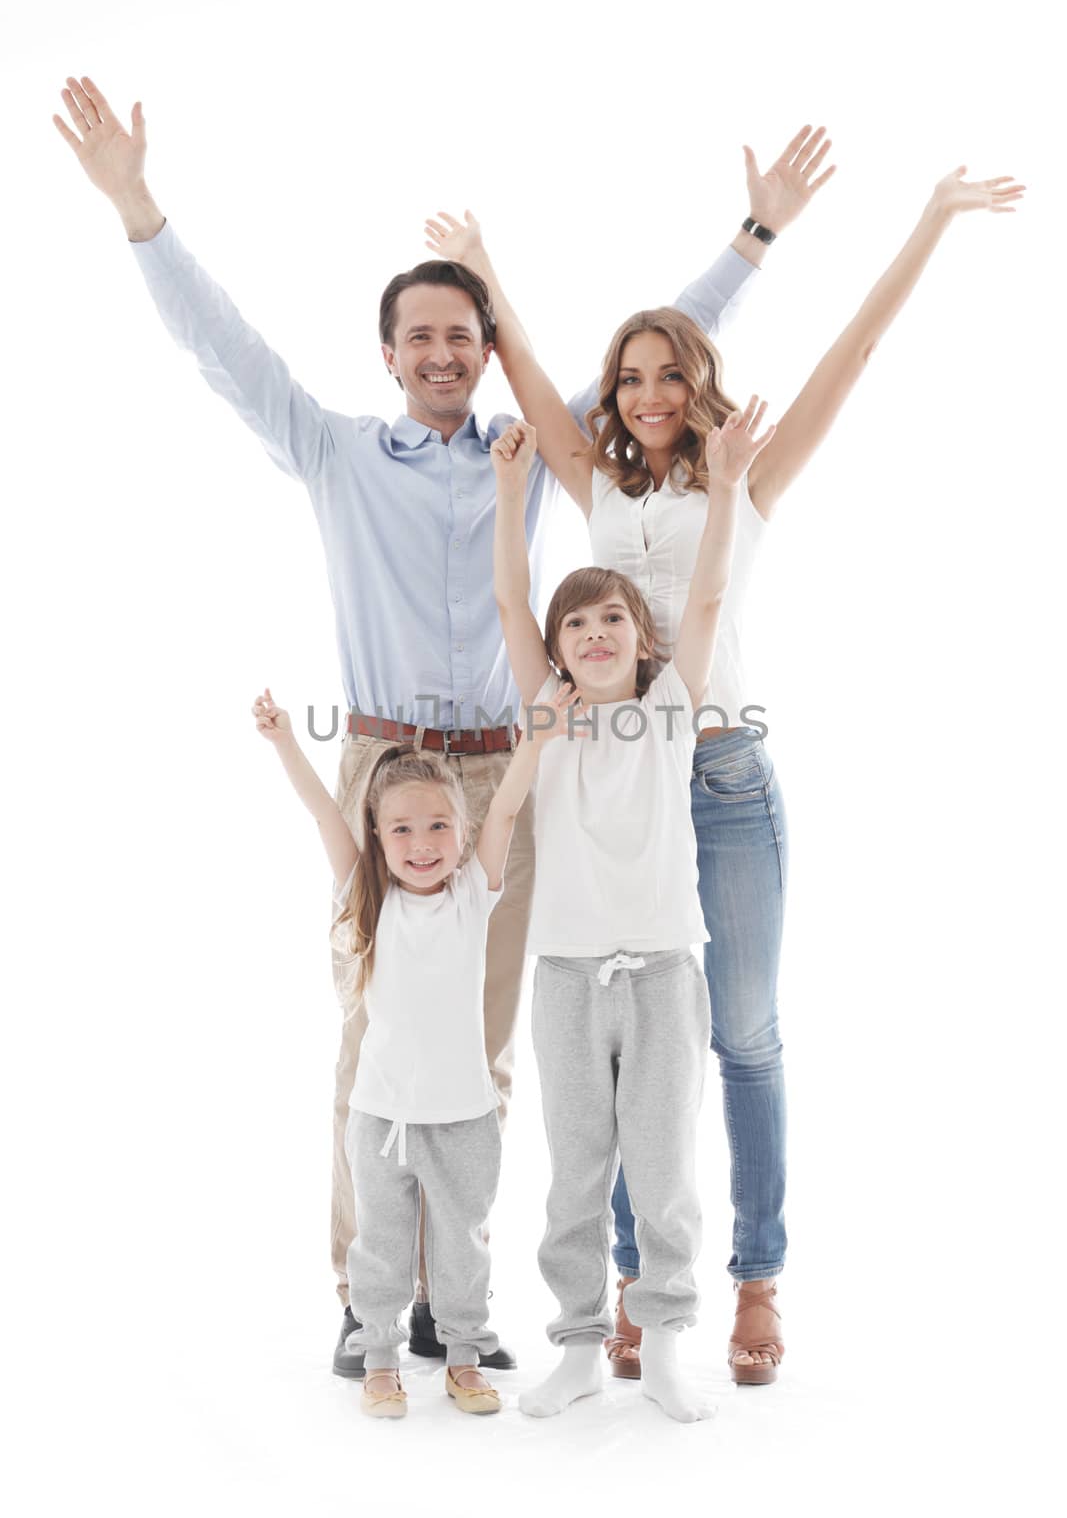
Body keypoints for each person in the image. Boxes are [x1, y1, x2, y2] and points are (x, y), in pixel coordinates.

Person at [52, 74, 797, 1373]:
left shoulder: (520, 457)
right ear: (389, 356)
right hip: (384, 765)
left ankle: (458, 1300)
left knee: (486, 1041)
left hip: (509, 777)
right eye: (423, 340)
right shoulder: (335, 452)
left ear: (486, 345)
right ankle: (364, 1297)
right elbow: (221, 346)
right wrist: (135, 204)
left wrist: (750, 240)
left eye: (467, 335)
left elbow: (653, 355)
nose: (447, 355)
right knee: (373, 1031)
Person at [428, 156, 1025, 1385]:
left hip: (720, 773)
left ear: (699, 384)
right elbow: (539, 387)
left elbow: (847, 359)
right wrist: (486, 272)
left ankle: (755, 1277)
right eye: (630, 376)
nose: (645, 393)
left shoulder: (747, 479)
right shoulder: (594, 482)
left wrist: (927, 223)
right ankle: (646, 1287)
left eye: (667, 373)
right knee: (622, 1037)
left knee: (741, 1036)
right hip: (607, 787)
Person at [492, 404, 773, 1422]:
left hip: (661, 972)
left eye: (611, 618)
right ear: (559, 650)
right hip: (566, 975)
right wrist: (507, 491)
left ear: (635, 636)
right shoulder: (548, 717)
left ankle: (659, 1342)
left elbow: (706, 597)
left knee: (662, 1172)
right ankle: (574, 1342)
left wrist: (731, 480)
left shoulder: (665, 710)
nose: (594, 633)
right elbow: (508, 599)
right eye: (577, 624)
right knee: (576, 1174)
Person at [250, 682, 577, 1415]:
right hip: (382, 1118)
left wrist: (537, 737)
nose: (421, 844)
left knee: (462, 1247)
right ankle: (378, 1359)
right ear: (378, 837)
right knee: (381, 1247)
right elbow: (325, 814)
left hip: (464, 1116)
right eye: (400, 830)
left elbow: (507, 808)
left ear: (460, 836)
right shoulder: (366, 896)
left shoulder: (472, 894)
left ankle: (463, 1356)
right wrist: (285, 744)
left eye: (437, 827)